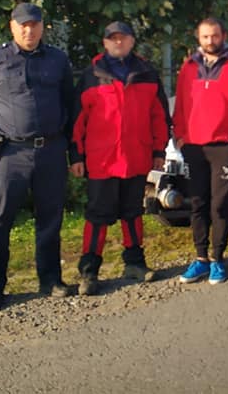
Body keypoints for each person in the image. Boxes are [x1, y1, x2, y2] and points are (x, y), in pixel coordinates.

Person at [0, 2, 77, 312]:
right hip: (10, 154)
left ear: (43, 26)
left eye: (34, 24)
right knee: (0, 219)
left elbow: (70, 103)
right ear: (12, 26)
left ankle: (50, 280)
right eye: (23, 25)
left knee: (50, 218)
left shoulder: (58, 60)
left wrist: (69, 148)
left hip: (50, 151)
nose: (28, 30)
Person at [70, 21, 169, 295]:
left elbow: (159, 116)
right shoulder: (92, 76)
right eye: (112, 39)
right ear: (105, 43)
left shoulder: (147, 73)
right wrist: (76, 155)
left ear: (132, 41)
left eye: (123, 38)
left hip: (137, 157)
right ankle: (89, 272)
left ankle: (135, 264)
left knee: (132, 212)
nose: (118, 43)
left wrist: (159, 151)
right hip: (102, 160)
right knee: (97, 215)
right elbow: (77, 120)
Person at [173, 18, 228, 285]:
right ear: (198, 38)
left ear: (224, 35)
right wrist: (181, 138)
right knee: (197, 203)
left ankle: (218, 259)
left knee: (220, 205)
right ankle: (200, 259)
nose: (211, 41)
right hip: (194, 146)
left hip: (224, 147)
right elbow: (182, 106)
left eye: (215, 36)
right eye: (206, 37)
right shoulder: (188, 68)